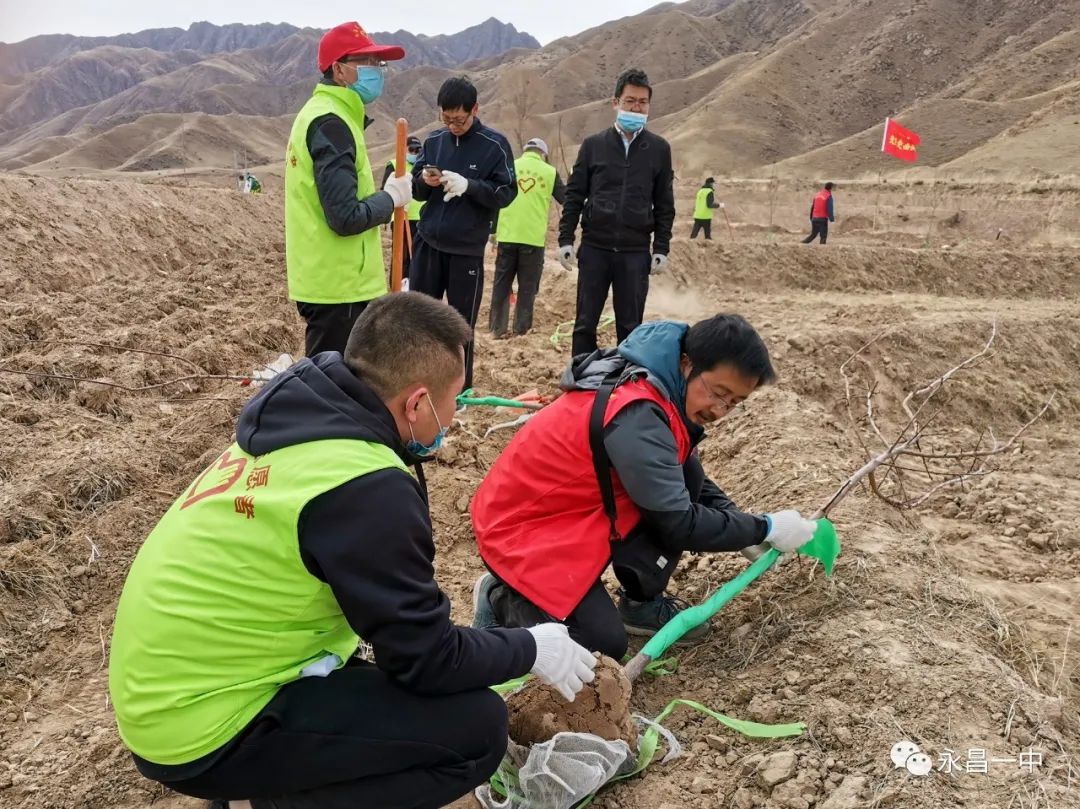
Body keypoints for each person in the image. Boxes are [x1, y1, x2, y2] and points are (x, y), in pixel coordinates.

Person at [108, 293, 597, 809]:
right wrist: (533, 647)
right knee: (474, 731)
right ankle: (277, 799)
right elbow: (428, 663)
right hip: (202, 730)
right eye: (454, 400)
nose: (454, 418)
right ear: (416, 403)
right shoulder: (364, 489)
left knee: (392, 692)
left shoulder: (305, 424)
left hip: (168, 690)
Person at [470, 315, 818, 659]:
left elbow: (678, 475)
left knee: (689, 475)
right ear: (687, 363)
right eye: (718, 393)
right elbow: (680, 523)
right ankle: (501, 596)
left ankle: (640, 604)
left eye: (734, 403)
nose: (720, 410)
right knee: (599, 645)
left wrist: (743, 526)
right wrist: (765, 526)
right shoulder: (638, 411)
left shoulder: (661, 391)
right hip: (521, 529)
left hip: (567, 514)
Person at [285, 21, 414, 358]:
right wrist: (391, 198)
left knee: (335, 389)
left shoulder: (330, 115)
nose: (377, 71)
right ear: (340, 70)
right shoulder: (332, 122)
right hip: (339, 288)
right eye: (367, 63)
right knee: (331, 394)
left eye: (378, 64)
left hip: (335, 283)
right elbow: (344, 216)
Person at [557, 68, 675, 357]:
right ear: (616, 102)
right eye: (630, 101)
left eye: (642, 103)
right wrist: (565, 239)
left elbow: (664, 203)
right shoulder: (593, 145)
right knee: (585, 323)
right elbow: (574, 195)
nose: (636, 108)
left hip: (635, 252)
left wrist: (661, 247)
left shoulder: (659, 149)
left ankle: (625, 386)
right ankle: (581, 378)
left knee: (631, 326)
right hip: (595, 248)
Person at [410, 76, 517, 390]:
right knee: (420, 318)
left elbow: (506, 192)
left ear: (475, 110)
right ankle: (418, 381)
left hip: (466, 249)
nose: (453, 125)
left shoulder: (494, 146)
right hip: (428, 241)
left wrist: (469, 186)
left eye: (459, 119)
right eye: (447, 119)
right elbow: (417, 190)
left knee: (460, 325)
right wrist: (425, 181)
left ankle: (460, 388)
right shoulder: (434, 142)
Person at [489, 137, 566, 337]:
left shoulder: (510, 167)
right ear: (543, 154)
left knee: (502, 284)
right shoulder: (550, 172)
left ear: (525, 151)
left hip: (507, 235)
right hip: (533, 239)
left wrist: (492, 233)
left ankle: (497, 329)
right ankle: (521, 330)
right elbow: (566, 198)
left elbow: (497, 200)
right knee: (527, 287)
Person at [382, 135, 426, 282]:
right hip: (402, 217)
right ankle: (397, 288)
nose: (414, 153)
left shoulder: (422, 166)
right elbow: (386, 190)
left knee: (418, 258)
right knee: (401, 258)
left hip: (420, 219)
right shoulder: (394, 165)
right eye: (411, 150)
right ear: (404, 149)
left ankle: (412, 288)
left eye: (417, 151)